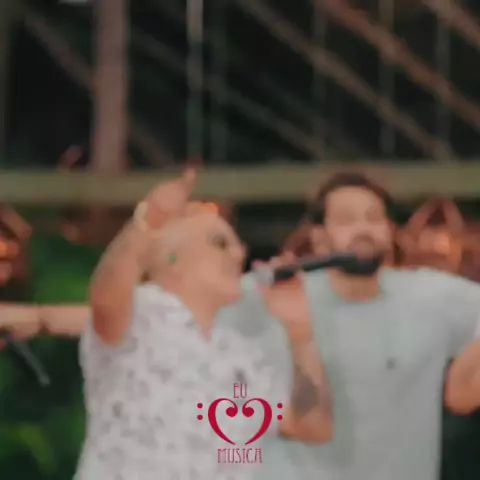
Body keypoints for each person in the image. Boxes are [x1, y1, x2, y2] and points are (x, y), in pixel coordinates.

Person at [69, 169, 332, 480]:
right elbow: (105, 299)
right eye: (220, 243)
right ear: (171, 259)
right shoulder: (141, 315)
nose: (239, 253)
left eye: (238, 245)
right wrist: (147, 222)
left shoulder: (243, 354)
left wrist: (300, 330)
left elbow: (312, 426)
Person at [218, 171, 480, 480]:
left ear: (389, 231)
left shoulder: (432, 297)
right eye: (346, 219)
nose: (363, 228)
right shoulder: (273, 294)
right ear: (319, 237)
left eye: (374, 218)